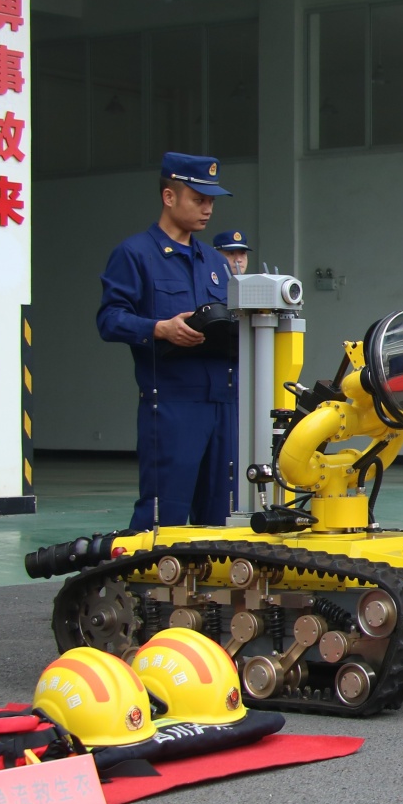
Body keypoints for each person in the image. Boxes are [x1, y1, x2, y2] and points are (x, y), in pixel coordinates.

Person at [97, 152, 239, 529]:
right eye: (198, 199)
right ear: (169, 197)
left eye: (211, 202)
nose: (207, 210)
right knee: (165, 513)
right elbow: (110, 319)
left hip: (224, 401)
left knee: (223, 514)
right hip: (174, 402)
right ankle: (150, 585)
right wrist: (159, 328)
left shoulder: (214, 261)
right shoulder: (135, 255)